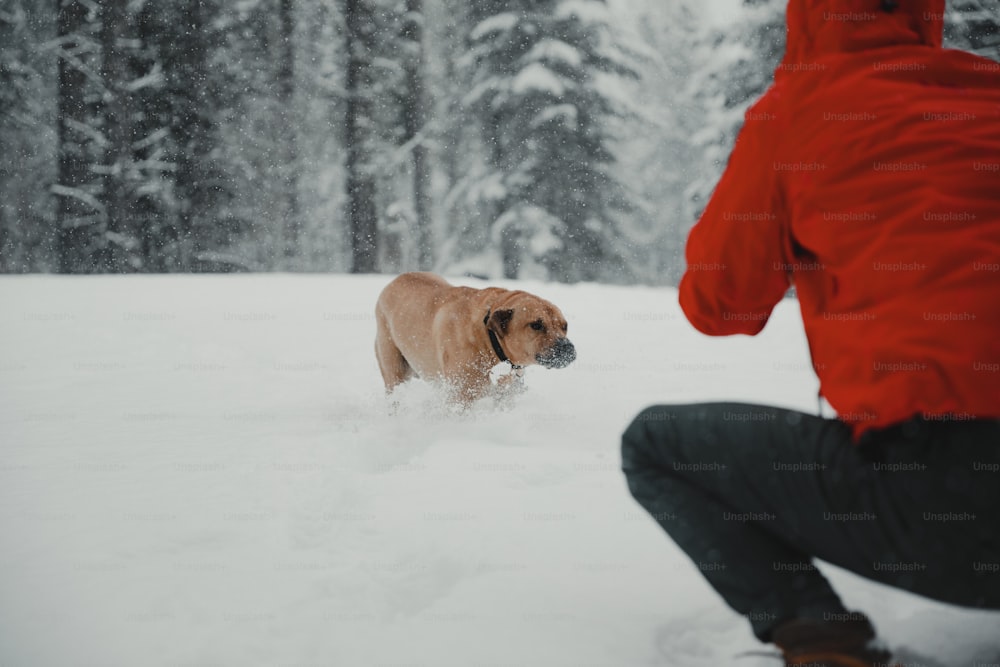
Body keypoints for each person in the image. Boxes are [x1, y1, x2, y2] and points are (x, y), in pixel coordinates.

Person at [621, 1, 1000, 665]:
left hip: (952, 509)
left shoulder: (801, 111)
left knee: (656, 445)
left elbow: (718, 303)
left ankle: (823, 640)